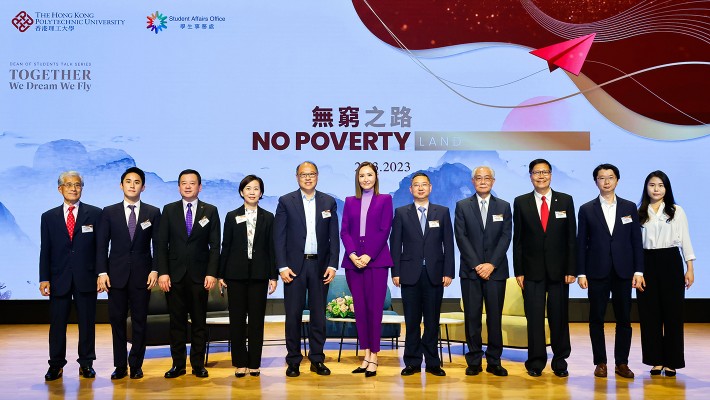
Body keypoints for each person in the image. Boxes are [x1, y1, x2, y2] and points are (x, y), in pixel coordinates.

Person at [576, 164, 644, 379]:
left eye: (610, 177)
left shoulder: (629, 207)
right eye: (601, 178)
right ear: (595, 181)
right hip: (596, 271)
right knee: (596, 318)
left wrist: (639, 271)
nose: (606, 181)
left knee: (624, 319)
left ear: (617, 180)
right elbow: (581, 244)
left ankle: (622, 363)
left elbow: (636, 241)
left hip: (623, 271)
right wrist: (581, 273)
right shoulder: (587, 208)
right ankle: (601, 363)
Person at [274, 161, 339, 377]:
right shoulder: (286, 201)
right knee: (292, 315)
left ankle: (317, 359)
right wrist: (282, 266)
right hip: (294, 267)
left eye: (311, 174)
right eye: (303, 174)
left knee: (319, 315)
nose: (308, 178)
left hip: (320, 266)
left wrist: (332, 264)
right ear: (297, 177)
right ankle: (293, 360)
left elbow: (333, 237)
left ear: (318, 176)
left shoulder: (328, 201)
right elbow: (279, 236)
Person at [513, 159, 576, 378]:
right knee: (535, 318)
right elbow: (518, 239)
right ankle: (536, 362)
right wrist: (518, 271)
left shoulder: (565, 201)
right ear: (530, 176)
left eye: (545, 172)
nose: (541, 176)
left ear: (551, 174)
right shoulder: (521, 202)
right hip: (531, 272)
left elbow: (571, 239)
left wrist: (571, 269)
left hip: (560, 272)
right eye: (536, 172)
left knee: (559, 318)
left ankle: (560, 362)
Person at [96, 167, 161, 380]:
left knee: (140, 321)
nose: (132, 185)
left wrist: (155, 269)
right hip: (115, 276)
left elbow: (158, 245)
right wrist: (102, 272)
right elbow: (101, 245)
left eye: (136, 182)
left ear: (143, 186)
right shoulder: (109, 212)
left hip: (143, 275)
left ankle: (136, 365)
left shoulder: (152, 212)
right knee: (117, 321)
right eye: (128, 181)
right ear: (121, 185)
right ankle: (120, 365)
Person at [157, 169, 221, 378]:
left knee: (199, 323)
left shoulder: (210, 211)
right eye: (183, 183)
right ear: (178, 187)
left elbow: (214, 245)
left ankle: (197, 365)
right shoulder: (168, 210)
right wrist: (163, 272)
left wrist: (212, 273)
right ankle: (178, 365)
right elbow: (160, 244)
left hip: (199, 277)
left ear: (199, 187)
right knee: (176, 323)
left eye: (192, 183)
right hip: (174, 277)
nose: (187, 186)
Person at [39, 171, 102, 381]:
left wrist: (101, 274)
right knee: (57, 325)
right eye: (69, 185)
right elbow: (45, 249)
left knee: (87, 323)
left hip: (87, 277)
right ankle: (56, 365)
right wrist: (44, 277)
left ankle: (86, 363)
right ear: (60, 189)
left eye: (78, 185)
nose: (73, 188)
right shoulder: (48, 217)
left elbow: (101, 248)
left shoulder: (95, 214)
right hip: (59, 278)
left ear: (82, 188)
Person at [391, 172, 454, 377]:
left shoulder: (442, 212)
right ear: (410, 189)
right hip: (409, 274)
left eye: (424, 185)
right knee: (412, 321)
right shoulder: (401, 213)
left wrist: (448, 271)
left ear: (430, 188)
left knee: (432, 321)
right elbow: (395, 244)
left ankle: (433, 362)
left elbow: (449, 244)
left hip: (435, 274)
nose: (420, 188)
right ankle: (412, 362)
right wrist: (396, 271)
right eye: (416, 185)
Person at [454, 166, 511, 377]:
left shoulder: (504, 206)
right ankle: (474, 359)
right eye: (479, 178)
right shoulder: (462, 206)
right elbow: (461, 237)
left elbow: (506, 237)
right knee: (472, 317)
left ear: (493, 182)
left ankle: (495, 360)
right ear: (473, 181)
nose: (483, 181)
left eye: (487, 178)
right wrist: (478, 264)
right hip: (471, 271)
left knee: (495, 317)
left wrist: (491, 264)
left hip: (496, 272)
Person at [218, 175, 278, 378]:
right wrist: (221, 274)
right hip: (235, 275)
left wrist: (273, 275)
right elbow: (225, 246)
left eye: (256, 188)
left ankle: (254, 362)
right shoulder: (231, 215)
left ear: (261, 193)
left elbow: (272, 248)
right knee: (236, 320)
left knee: (256, 321)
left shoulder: (268, 217)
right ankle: (240, 362)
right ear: (241, 191)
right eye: (248, 188)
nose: (252, 192)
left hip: (260, 276)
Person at [637, 170, 695, 377]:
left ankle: (672, 361)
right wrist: (638, 272)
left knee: (673, 314)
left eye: (661, 185)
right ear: (646, 188)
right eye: (652, 185)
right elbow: (636, 246)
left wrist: (690, 267)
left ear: (666, 188)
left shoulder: (676, 211)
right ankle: (655, 360)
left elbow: (685, 239)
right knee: (649, 315)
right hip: (646, 263)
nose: (656, 189)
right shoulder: (639, 212)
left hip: (671, 262)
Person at [340, 162, 393, 377]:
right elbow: (344, 231)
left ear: (376, 177)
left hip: (377, 261)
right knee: (360, 310)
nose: (365, 179)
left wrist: (368, 255)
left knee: (374, 310)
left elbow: (384, 229)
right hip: (353, 262)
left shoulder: (385, 199)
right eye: (362, 175)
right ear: (357, 179)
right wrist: (353, 254)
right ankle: (365, 355)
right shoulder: (350, 201)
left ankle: (375, 357)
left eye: (369, 175)